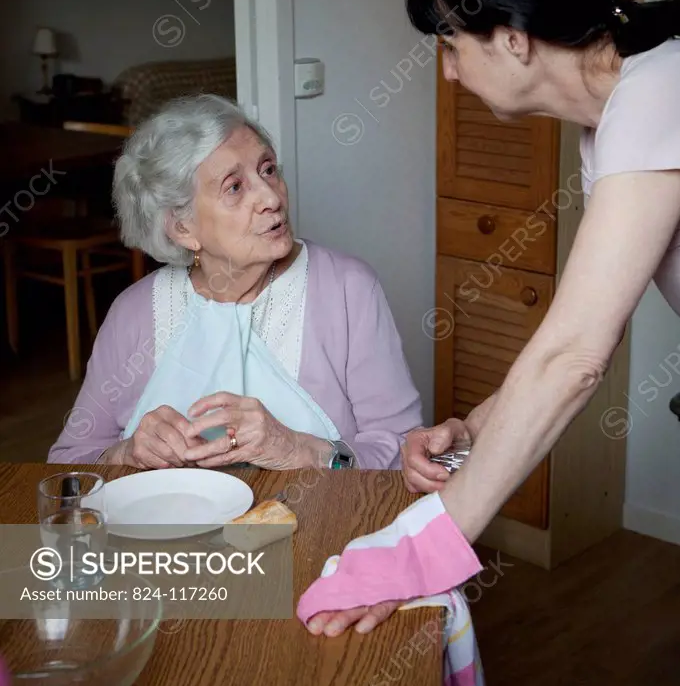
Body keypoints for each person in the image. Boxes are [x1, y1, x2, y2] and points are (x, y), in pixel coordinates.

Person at [298, 0, 680, 641]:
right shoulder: (612, 115)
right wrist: (475, 429)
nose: (446, 72)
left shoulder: (658, 92)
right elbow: (578, 325)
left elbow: (574, 359)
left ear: (512, 39)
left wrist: (424, 549)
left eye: (449, 44)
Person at [48, 95, 422, 469]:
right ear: (182, 227)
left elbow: (404, 455)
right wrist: (126, 453)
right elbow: (69, 466)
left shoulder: (348, 291)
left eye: (269, 169)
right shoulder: (134, 314)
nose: (270, 197)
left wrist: (299, 450)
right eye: (234, 187)